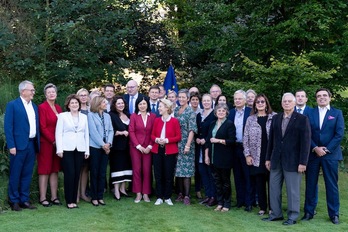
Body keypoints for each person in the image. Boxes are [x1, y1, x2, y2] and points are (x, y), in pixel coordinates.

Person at [263, 93, 311, 226]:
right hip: (276, 160)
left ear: (294, 103)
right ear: (282, 103)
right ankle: (275, 214)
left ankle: (293, 216)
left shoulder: (302, 119)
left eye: (290, 101)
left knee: (293, 190)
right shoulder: (276, 118)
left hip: (294, 161)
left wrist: (303, 162)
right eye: (285, 101)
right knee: (273, 188)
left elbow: (306, 142)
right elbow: (271, 140)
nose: (287, 103)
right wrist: (268, 158)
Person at [302, 88, 344, 225]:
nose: (322, 98)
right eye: (319, 96)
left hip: (330, 155)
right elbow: (306, 133)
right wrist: (315, 148)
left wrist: (326, 149)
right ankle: (308, 212)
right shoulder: (310, 113)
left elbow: (339, 134)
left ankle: (334, 214)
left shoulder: (337, 113)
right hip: (313, 154)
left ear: (330, 98)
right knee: (310, 184)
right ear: (316, 99)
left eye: (324, 95)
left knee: (331, 185)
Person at [5, 80, 40, 211]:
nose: (33, 92)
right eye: (31, 90)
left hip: (31, 145)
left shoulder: (34, 106)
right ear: (23, 91)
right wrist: (11, 145)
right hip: (18, 146)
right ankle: (13, 201)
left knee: (27, 173)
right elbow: (8, 127)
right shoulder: (12, 105)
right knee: (15, 173)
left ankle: (24, 200)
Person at [243, 94, 276, 216]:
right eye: (258, 102)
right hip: (256, 156)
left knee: (272, 184)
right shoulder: (250, 119)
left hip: (271, 155)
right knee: (259, 183)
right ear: (255, 105)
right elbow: (245, 138)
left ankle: (273, 207)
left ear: (266, 103)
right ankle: (263, 207)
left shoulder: (275, 117)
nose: (260, 104)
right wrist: (247, 155)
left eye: (263, 101)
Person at [56, 94, 90, 209]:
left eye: (76, 103)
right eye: (72, 103)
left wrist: (87, 150)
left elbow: (86, 134)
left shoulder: (84, 117)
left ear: (79, 105)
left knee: (76, 174)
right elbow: (58, 133)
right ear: (68, 105)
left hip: (80, 149)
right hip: (67, 149)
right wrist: (59, 149)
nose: (74, 105)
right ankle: (69, 200)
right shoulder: (62, 116)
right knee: (69, 174)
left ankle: (74, 200)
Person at [205, 103, 236, 212]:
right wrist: (206, 156)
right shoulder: (213, 123)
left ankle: (227, 204)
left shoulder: (229, 124)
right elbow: (208, 141)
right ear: (216, 112)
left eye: (223, 111)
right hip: (213, 157)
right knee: (217, 181)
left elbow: (232, 141)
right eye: (219, 111)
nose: (221, 112)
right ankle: (220, 202)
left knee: (225, 182)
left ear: (226, 112)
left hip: (225, 158)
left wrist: (218, 141)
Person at [151, 99, 181, 206]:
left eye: (161, 107)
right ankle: (159, 196)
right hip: (157, 149)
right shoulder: (157, 120)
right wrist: (157, 140)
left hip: (170, 150)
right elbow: (152, 135)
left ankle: (167, 197)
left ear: (167, 108)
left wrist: (167, 140)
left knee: (168, 174)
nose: (159, 108)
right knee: (158, 174)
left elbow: (178, 136)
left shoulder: (174, 121)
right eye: (159, 106)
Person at [37, 83, 62, 207]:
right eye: (49, 92)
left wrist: (59, 141)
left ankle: (54, 196)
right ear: (45, 95)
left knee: (54, 169)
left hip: (58, 144)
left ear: (56, 93)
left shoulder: (58, 107)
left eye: (53, 91)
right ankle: (42, 197)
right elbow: (42, 126)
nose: (52, 93)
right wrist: (53, 140)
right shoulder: (42, 107)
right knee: (44, 170)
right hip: (46, 143)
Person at [228, 90, 252, 211]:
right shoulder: (231, 113)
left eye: (239, 99)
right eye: (235, 99)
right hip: (233, 147)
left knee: (247, 175)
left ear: (245, 100)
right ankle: (239, 200)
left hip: (246, 147)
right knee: (237, 175)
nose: (237, 101)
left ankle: (249, 202)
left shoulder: (250, 112)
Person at [129, 97, 156, 203]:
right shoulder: (134, 116)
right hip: (136, 147)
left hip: (148, 148)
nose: (142, 106)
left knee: (147, 170)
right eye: (140, 104)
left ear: (147, 104)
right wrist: (138, 146)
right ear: (137, 105)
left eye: (144, 103)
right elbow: (131, 131)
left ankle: (146, 193)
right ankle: (138, 193)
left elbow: (154, 132)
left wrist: (149, 146)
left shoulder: (153, 116)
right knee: (137, 170)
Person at [88, 96, 114, 206]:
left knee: (102, 172)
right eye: (104, 102)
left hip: (106, 147)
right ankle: (94, 197)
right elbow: (93, 132)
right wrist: (103, 145)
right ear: (98, 103)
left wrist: (108, 143)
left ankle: (100, 196)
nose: (106, 104)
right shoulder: (90, 115)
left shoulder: (107, 116)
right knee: (94, 172)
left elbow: (111, 130)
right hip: (95, 147)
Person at [174, 89, 197, 205]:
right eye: (180, 97)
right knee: (178, 170)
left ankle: (187, 196)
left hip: (186, 144)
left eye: (184, 97)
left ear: (188, 99)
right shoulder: (176, 110)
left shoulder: (190, 112)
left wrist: (188, 145)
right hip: (175, 143)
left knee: (186, 171)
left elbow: (192, 130)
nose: (181, 99)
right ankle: (180, 194)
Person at [109, 96, 132, 200]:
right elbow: (109, 130)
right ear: (114, 105)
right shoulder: (111, 115)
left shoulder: (128, 115)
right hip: (117, 147)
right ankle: (116, 190)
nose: (120, 105)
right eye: (118, 103)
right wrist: (121, 132)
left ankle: (123, 189)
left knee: (125, 167)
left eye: (122, 103)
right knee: (117, 168)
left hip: (128, 147)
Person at [196, 94, 217, 207]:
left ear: (211, 101)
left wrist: (205, 139)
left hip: (209, 148)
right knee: (202, 171)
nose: (206, 102)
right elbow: (196, 130)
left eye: (208, 100)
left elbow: (214, 130)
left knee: (210, 172)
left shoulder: (214, 115)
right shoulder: (199, 115)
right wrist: (197, 139)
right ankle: (208, 195)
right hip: (200, 148)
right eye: (204, 101)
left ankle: (214, 197)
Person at [76, 88, 91, 203]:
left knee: (85, 169)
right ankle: (75, 194)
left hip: (90, 142)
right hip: (77, 142)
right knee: (77, 168)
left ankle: (83, 193)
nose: (83, 97)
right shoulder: (75, 109)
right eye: (81, 95)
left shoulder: (91, 110)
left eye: (85, 95)